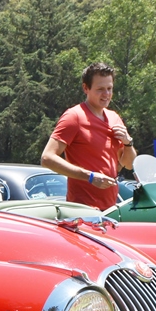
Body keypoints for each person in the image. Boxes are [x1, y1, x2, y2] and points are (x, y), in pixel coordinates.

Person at [40, 62, 136, 211]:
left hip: (111, 209)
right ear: (86, 88)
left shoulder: (114, 117)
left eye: (109, 89)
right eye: (100, 89)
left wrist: (128, 143)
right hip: (82, 211)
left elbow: (128, 164)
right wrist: (90, 176)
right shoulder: (74, 116)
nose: (107, 94)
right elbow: (47, 158)